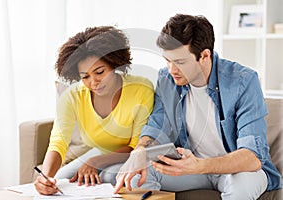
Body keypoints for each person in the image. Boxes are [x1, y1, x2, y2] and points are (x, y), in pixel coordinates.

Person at [114, 14, 282, 199]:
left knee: (240, 188)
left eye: (180, 62)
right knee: (136, 175)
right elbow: (156, 126)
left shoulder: (243, 81)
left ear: (204, 56)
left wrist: (200, 165)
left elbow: (253, 157)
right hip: (191, 167)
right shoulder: (166, 78)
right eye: (167, 60)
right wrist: (140, 151)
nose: (172, 70)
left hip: (236, 171)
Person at [34, 26, 154, 195]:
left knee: (109, 176)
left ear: (114, 64)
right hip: (99, 150)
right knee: (59, 182)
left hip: (131, 155)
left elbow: (136, 146)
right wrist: (45, 177)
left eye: (100, 72)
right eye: (85, 77)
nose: (94, 82)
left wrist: (95, 161)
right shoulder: (72, 97)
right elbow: (59, 141)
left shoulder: (141, 89)